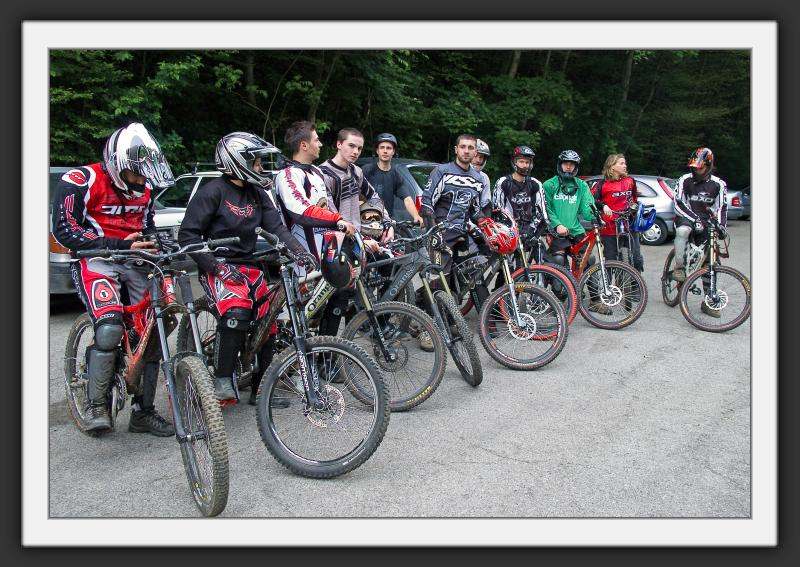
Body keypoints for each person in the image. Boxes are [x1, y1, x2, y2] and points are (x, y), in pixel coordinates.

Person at [51, 122, 177, 435]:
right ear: (117, 165)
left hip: (135, 260)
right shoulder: (82, 180)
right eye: (135, 175)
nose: (141, 181)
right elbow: (65, 231)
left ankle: (143, 412)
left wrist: (157, 244)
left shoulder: (146, 186)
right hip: (96, 259)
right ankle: (96, 405)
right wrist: (119, 244)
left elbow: (147, 225)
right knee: (109, 327)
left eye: (144, 175)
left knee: (156, 327)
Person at [178, 132, 317, 404]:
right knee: (237, 311)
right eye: (255, 162)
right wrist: (215, 266)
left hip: (251, 266)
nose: (260, 167)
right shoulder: (212, 192)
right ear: (237, 161)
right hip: (219, 266)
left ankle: (260, 390)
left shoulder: (257, 193)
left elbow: (276, 228)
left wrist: (301, 253)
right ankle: (222, 379)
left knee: (269, 321)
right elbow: (188, 236)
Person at [317, 127, 393, 336]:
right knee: (337, 299)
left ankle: (368, 325)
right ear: (338, 144)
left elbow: (374, 198)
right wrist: (361, 239)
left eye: (359, 148)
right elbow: (331, 216)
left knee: (388, 263)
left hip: (356, 241)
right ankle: (326, 349)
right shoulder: (324, 174)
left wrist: (388, 224)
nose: (355, 151)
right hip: (336, 244)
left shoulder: (356, 172)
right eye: (351, 146)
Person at [273, 120, 355, 264]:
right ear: (304, 145)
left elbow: (328, 208)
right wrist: (336, 219)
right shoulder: (288, 175)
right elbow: (301, 211)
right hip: (300, 260)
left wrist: (342, 223)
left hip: (325, 253)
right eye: (316, 140)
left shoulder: (317, 172)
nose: (320, 144)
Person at [542, 149, 603, 311]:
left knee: (588, 260)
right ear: (560, 164)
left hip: (576, 230)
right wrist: (557, 225)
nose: (568, 167)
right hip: (557, 231)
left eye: (572, 164)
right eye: (565, 163)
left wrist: (597, 216)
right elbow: (547, 208)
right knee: (558, 260)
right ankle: (558, 299)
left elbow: (587, 208)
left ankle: (596, 300)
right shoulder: (549, 185)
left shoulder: (581, 185)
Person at [672, 147, 728, 318]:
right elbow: (678, 203)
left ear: (709, 165)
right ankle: (679, 268)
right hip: (686, 217)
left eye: (700, 167)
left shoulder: (718, 184)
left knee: (711, 261)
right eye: (694, 167)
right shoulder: (684, 180)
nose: (696, 170)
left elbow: (722, 207)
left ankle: (709, 301)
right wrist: (694, 219)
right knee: (682, 231)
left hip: (707, 221)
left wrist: (721, 227)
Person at [491, 146, 548, 287]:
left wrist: (531, 231)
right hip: (509, 233)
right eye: (521, 161)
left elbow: (542, 211)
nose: (525, 165)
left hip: (529, 232)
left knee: (541, 262)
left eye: (527, 162)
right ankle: (500, 295)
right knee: (506, 270)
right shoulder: (503, 183)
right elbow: (497, 211)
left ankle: (539, 293)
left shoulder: (535, 184)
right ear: (514, 162)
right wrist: (511, 231)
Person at [591, 153, 644, 272]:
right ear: (612, 166)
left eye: (625, 163)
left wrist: (635, 208)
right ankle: (609, 283)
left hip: (629, 224)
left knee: (636, 258)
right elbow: (592, 200)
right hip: (609, 227)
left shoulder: (630, 181)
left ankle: (636, 283)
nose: (625, 166)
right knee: (610, 261)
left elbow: (634, 198)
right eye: (621, 163)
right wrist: (603, 206)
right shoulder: (601, 184)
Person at [361, 133, 423, 226]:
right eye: (382, 147)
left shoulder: (395, 174)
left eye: (389, 148)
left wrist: (416, 216)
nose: (385, 151)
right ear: (377, 151)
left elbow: (407, 198)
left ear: (393, 151)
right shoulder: (366, 170)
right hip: (366, 220)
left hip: (386, 222)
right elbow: (356, 195)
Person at [471, 138, 493, 216]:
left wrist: (487, 219)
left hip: (476, 217)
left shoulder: (484, 177)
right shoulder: (454, 173)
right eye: (475, 156)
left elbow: (486, 204)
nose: (478, 160)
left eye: (481, 157)